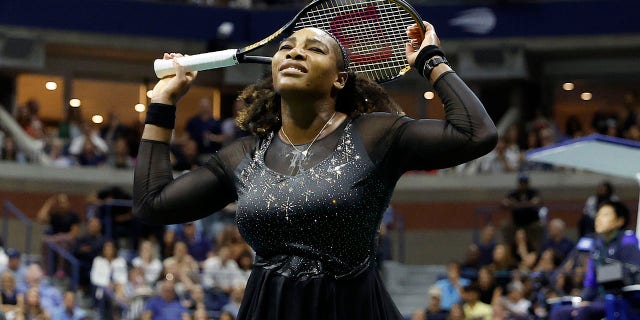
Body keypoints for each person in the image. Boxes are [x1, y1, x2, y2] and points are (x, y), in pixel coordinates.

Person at [133, 21, 497, 320]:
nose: (294, 52)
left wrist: (431, 60)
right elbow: (153, 204)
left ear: (340, 79)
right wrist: (163, 104)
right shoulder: (243, 154)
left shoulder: (375, 134)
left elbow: (476, 134)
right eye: (286, 47)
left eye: (315, 49)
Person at [549, 200, 640, 320]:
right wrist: (584, 300)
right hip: (598, 299)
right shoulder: (596, 246)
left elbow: (634, 271)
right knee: (558, 312)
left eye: (605, 215)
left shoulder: (627, 241)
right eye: (598, 215)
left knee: (584, 312)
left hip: (620, 299)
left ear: (620, 221)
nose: (599, 219)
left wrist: (604, 273)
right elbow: (590, 281)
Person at [501, 173, 544, 252]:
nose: (523, 185)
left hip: (532, 222)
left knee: (539, 226)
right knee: (505, 225)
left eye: (525, 183)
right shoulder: (514, 193)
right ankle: (509, 249)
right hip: (517, 223)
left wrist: (516, 204)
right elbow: (504, 203)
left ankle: (537, 252)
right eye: (521, 183)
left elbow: (537, 201)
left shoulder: (533, 192)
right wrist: (527, 204)